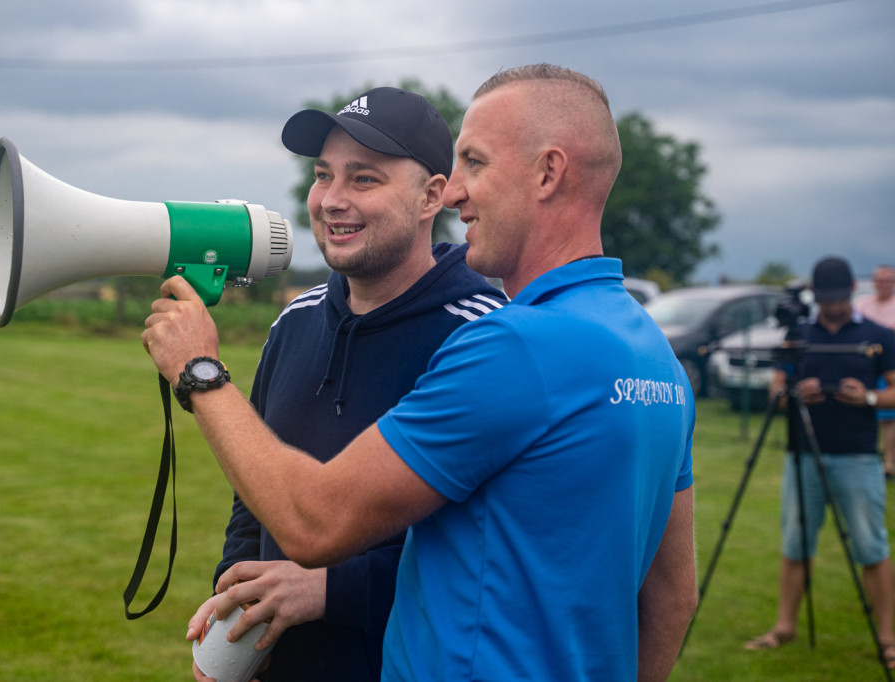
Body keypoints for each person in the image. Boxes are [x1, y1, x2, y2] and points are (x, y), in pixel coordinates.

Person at [144, 64, 697, 681]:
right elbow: (672, 596)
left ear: (548, 173)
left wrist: (200, 371)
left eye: (475, 163)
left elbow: (314, 520)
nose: (457, 191)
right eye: (324, 175)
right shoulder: (653, 354)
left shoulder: (512, 346)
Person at [188, 86, 505, 681]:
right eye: (323, 175)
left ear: (430, 197)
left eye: (364, 179)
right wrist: (233, 619)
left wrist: (330, 590)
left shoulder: (485, 337)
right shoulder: (295, 320)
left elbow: (489, 551)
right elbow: (253, 497)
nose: (332, 200)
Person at [745, 256, 895, 668]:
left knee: (870, 545)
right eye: (825, 298)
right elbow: (777, 389)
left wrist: (867, 396)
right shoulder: (798, 337)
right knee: (796, 545)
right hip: (803, 456)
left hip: (858, 455)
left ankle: (888, 639)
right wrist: (795, 393)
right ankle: (784, 627)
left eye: (838, 297)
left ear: (852, 291)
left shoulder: (879, 336)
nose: (832, 305)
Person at [856, 264, 895, 477]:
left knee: (888, 417)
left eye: (886, 280)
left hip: (889, 367)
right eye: (879, 280)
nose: (882, 284)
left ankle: (888, 462)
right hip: (866, 367)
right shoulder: (863, 304)